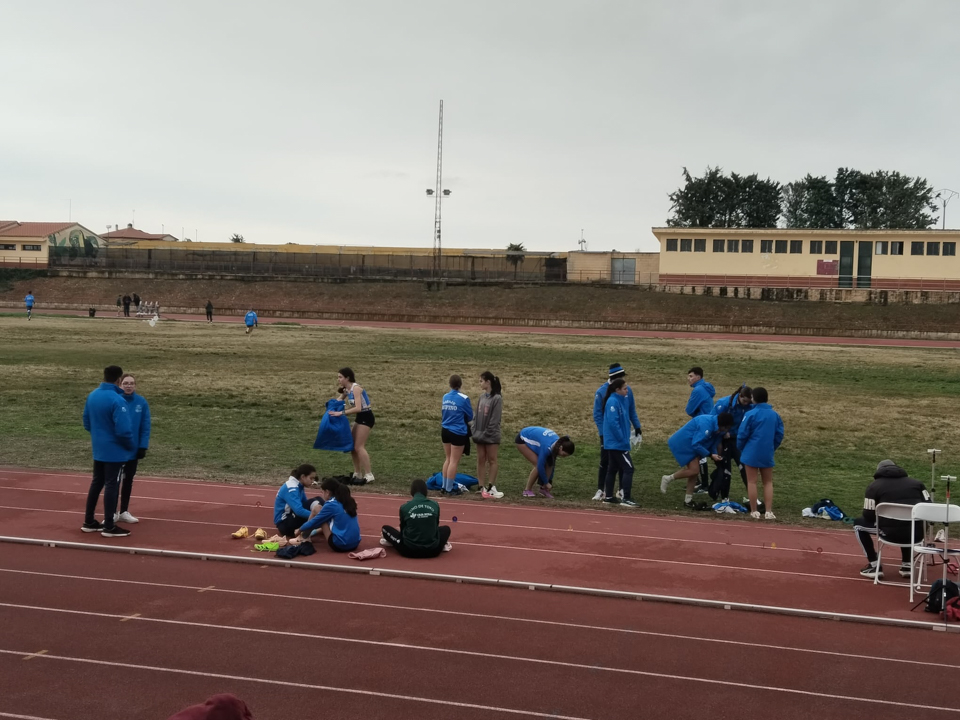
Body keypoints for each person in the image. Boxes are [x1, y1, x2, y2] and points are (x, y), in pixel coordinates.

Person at [853, 460, 930, 579]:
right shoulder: (917, 484)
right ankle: (907, 565)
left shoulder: (874, 486)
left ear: (878, 471)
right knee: (909, 522)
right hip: (917, 534)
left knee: (858, 525)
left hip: (889, 534)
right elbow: (929, 507)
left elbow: (868, 515)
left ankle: (874, 565)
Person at [82, 365, 135, 537]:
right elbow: (124, 430)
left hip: (99, 448)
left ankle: (89, 521)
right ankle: (109, 526)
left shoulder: (92, 395)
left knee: (96, 483)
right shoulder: (118, 400)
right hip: (115, 451)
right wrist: (129, 446)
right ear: (119, 380)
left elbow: (86, 422)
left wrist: (99, 435)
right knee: (112, 485)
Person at [661, 412, 733, 507]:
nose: (727, 431)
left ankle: (688, 501)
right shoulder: (706, 425)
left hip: (693, 444)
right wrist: (711, 455)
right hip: (684, 442)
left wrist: (714, 454)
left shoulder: (719, 429)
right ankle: (667, 478)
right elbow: (696, 444)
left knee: (694, 472)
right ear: (722, 425)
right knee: (694, 470)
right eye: (726, 428)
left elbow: (712, 444)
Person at [592, 363, 642, 501]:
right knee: (607, 462)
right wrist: (604, 434)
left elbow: (631, 409)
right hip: (613, 437)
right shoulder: (603, 393)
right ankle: (602, 490)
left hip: (620, 436)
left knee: (615, 465)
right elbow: (598, 415)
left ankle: (617, 491)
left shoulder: (625, 391)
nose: (627, 388)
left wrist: (636, 426)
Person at [736, 387, 784, 520]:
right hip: (767, 451)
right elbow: (779, 434)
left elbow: (742, 434)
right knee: (768, 482)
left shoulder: (750, 414)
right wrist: (772, 447)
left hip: (751, 451)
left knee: (752, 482)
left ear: (754, 398)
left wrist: (741, 448)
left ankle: (754, 510)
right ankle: (768, 511)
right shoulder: (774, 415)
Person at [381, 479, 452, 557]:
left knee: (385, 529)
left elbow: (403, 529)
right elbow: (436, 525)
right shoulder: (435, 505)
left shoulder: (404, 507)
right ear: (426, 491)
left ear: (412, 491)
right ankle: (441, 545)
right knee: (446, 529)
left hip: (408, 551)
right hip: (433, 551)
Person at [329, 368, 375, 483]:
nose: (338, 379)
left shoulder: (356, 389)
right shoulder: (347, 390)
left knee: (359, 447)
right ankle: (357, 473)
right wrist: (330, 408)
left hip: (366, 417)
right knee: (352, 447)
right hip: (360, 418)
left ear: (347, 378)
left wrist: (341, 413)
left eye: (340, 377)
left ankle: (369, 474)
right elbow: (338, 401)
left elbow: (358, 408)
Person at [116, 373, 151, 524]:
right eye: (125, 383)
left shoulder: (141, 402)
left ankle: (124, 511)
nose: (128, 386)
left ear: (135, 385)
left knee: (128, 480)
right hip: (117, 449)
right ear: (120, 385)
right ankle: (111, 512)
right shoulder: (115, 400)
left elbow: (145, 426)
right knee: (113, 481)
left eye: (131, 383)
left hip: (133, 449)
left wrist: (142, 446)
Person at [711, 385, 753, 501]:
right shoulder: (724, 403)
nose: (746, 404)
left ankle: (752, 497)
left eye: (748, 402)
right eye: (744, 401)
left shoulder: (751, 406)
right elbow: (713, 420)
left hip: (737, 439)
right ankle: (724, 497)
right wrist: (722, 434)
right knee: (725, 468)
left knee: (744, 466)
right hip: (723, 439)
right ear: (740, 396)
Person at [600, 379, 639, 507]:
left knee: (612, 469)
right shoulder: (613, 402)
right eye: (625, 389)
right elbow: (613, 424)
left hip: (616, 442)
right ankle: (626, 497)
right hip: (617, 444)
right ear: (617, 390)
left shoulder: (620, 400)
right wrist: (622, 439)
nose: (627, 391)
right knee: (629, 468)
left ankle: (609, 496)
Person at [296, 479, 360, 552]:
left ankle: (304, 537)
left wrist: (300, 529)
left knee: (317, 509)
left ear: (327, 492)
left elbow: (315, 521)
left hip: (339, 545)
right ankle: (312, 533)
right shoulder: (349, 501)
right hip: (355, 544)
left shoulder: (331, 504)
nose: (322, 495)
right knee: (332, 518)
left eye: (322, 492)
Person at [516, 426, 575, 499]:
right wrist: (546, 482)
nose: (563, 457)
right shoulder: (547, 447)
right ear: (561, 448)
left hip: (538, 439)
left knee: (549, 464)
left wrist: (548, 482)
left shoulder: (557, 445)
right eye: (563, 455)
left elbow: (552, 465)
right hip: (522, 439)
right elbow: (540, 466)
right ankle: (527, 490)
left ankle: (543, 490)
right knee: (538, 465)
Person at [440, 374, 474, 495]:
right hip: (457, 431)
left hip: (445, 430)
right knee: (454, 461)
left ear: (450, 384)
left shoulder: (445, 396)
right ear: (460, 385)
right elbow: (470, 416)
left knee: (448, 458)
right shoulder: (464, 398)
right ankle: (449, 488)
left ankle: (444, 486)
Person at [473, 371, 504, 499]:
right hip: (479, 434)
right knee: (481, 459)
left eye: (481, 381)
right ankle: (481, 486)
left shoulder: (497, 398)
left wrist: (486, 433)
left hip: (491, 436)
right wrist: (474, 429)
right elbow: (476, 415)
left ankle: (491, 486)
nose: (480, 383)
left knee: (492, 459)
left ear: (488, 382)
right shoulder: (481, 397)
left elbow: (495, 419)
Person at [686, 366, 716, 493]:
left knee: (699, 452)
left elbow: (689, 410)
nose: (689, 379)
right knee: (699, 453)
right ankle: (699, 482)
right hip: (709, 422)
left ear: (698, 377)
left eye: (691, 376)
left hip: (701, 424)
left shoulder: (698, 390)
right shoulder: (706, 387)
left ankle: (704, 485)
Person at [274, 463, 324, 538]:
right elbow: (299, 511)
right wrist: (319, 517)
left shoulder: (299, 486)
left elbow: (305, 504)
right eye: (311, 478)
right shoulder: (292, 488)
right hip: (285, 524)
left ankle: (322, 525)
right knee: (313, 503)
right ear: (303, 477)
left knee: (318, 500)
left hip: (291, 518)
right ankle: (323, 525)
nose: (313, 481)